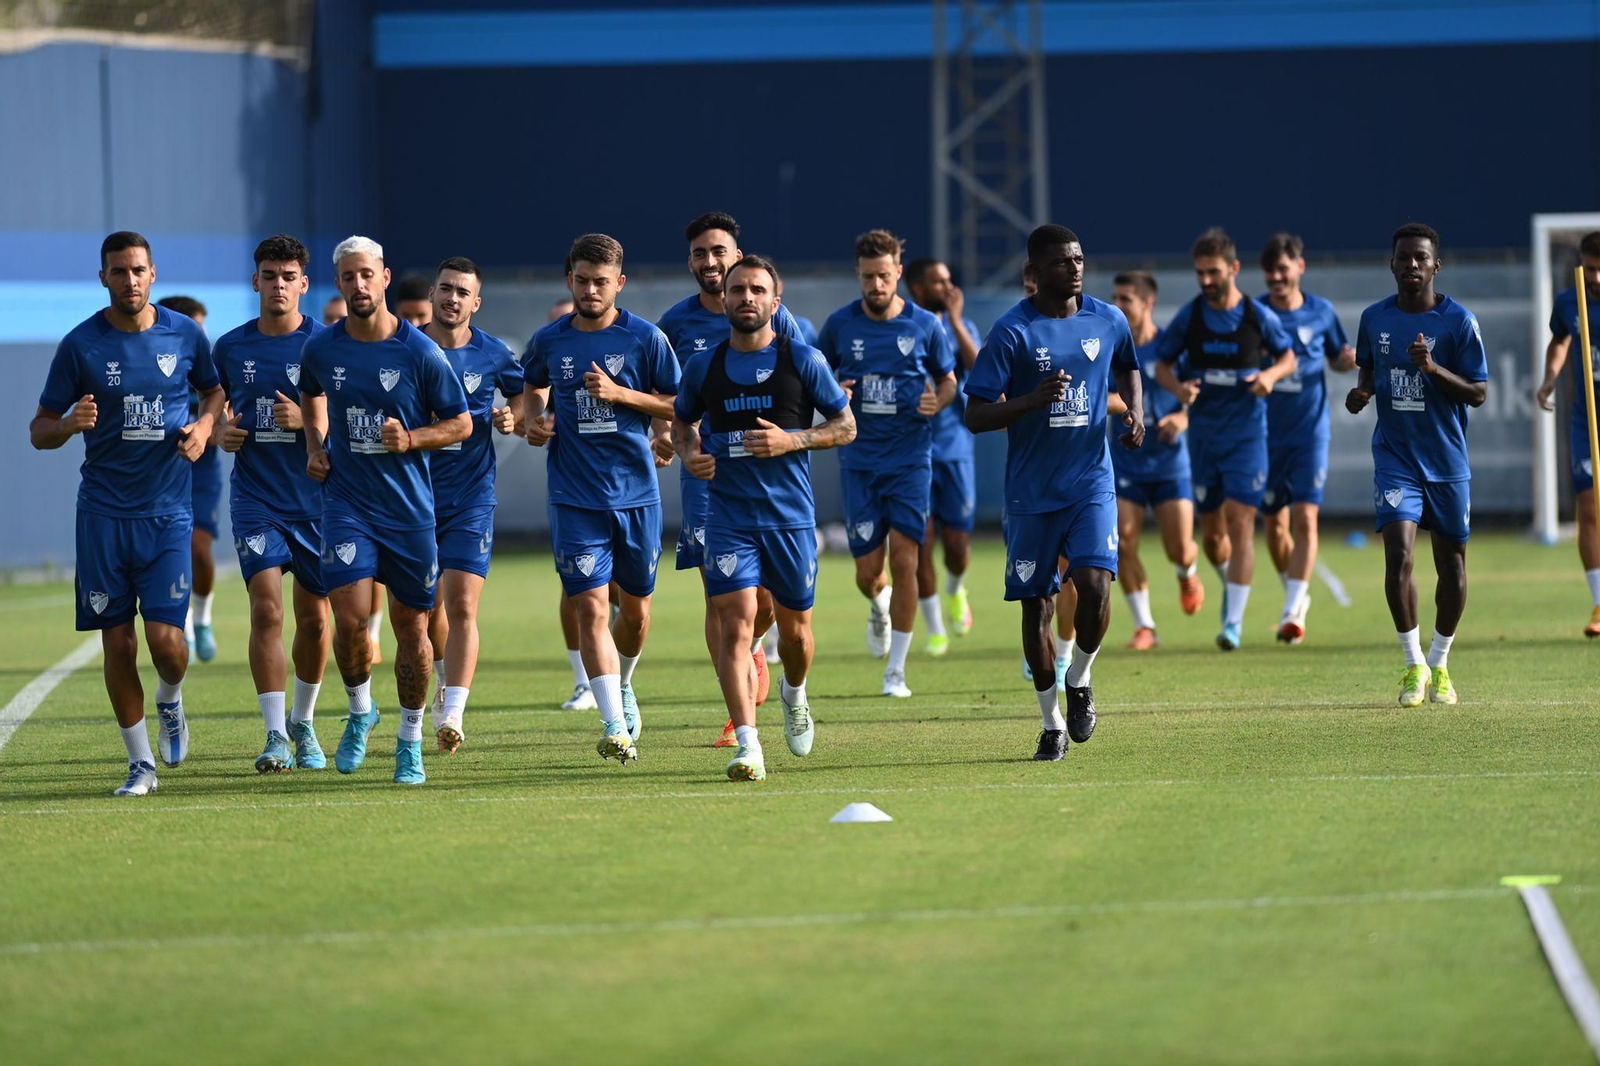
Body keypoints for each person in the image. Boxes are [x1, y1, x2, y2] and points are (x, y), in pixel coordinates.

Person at [31, 231, 222, 796]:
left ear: (153, 274)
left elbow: (214, 392)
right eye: (119, 271)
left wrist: (204, 426)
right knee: (118, 645)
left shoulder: (184, 334)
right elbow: (38, 429)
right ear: (104, 278)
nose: (130, 280)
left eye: (138, 270)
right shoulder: (81, 345)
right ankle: (141, 764)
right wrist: (68, 424)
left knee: (166, 645)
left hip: (168, 515)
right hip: (102, 518)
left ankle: (171, 699)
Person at [964, 224, 1143, 762]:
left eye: (1080, 259)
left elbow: (1128, 366)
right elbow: (975, 414)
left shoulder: (1108, 319)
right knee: (1036, 608)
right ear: (1035, 272)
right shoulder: (1012, 332)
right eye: (1064, 261)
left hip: (1091, 482)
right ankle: (1051, 724)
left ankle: (1080, 677)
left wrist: (1137, 411)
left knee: (1094, 585)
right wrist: (1029, 400)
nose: (1076, 268)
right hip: (1031, 495)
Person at [673, 254, 855, 780]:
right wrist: (689, 454)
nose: (746, 298)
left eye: (757, 290)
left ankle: (794, 693)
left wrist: (791, 440)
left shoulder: (802, 359)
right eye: (737, 290)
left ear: (776, 301)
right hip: (728, 517)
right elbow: (681, 424)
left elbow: (845, 427)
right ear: (724, 299)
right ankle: (748, 744)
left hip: (790, 520)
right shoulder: (704, 366)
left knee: (795, 635)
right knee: (736, 624)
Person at [298, 235, 471, 785]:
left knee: (412, 629)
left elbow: (461, 423)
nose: (358, 285)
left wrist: (413, 438)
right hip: (347, 504)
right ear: (339, 283)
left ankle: (409, 741)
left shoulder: (419, 351)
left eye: (366, 274)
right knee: (350, 622)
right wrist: (315, 445)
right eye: (348, 277)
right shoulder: (321, 349)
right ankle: (359, 712)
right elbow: (310, 394)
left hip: (409, 511)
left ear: (385, 277)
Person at [524, 233, 679, 763]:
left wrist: (620, 395)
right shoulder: (550, 340)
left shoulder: (646, 338)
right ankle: (614, 723)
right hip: (574, 496)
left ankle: (624, 683)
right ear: (570, 279)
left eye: (601, 282)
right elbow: (533, 385)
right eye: (583, 280)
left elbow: (677, 403)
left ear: (620, 283)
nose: (591, 290)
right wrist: (535, 419)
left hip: (636, 495)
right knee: (590, 606)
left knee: (635, 615)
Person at [656, 212, 809, 742]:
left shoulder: (774, 317)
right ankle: (739, 719)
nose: (710, 261)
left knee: (766, 603)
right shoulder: (674, 325)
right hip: (709, 478)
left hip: (772, 483)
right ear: (690, 263)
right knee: (720, 600)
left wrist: (795, 436)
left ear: (737, 256)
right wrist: (669, 437)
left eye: (718, 251)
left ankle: (758, 652)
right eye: (700, 253)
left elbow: (805, 385)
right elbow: (667, 396)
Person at [1346, 223, 1488, 706]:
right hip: (1396, 458)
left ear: (1435, 266)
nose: (1412, 265)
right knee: (1400, 556)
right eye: (1404, 257)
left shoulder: (1459, 322)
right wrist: (1362, 393)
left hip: (1446, 462)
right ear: (1391, 264)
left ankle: (1440, 662)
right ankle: (1413, 666)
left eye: (1420, 258)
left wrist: (1432, 368)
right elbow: (1370, 368)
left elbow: (1479, 393)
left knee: (1452, 567)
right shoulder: (1374, 318)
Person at [817, 230, 956, 697]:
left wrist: (939, 400)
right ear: (858, 275)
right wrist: (834, 392)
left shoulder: (925, 325)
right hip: (859, 461)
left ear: (898, 272)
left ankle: (896, 672)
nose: (876, 284)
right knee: (868, 574)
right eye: (867, 277)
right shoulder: (841, 325)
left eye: (883, 275)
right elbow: (815, 375)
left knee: (906, 560)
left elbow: (948, 381)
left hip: (910, 460)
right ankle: (879, 604)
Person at [213, 234, 332, 772]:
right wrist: (220, 432)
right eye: (269, 276)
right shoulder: (230, 348)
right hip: (256, 497)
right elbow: (211, 407)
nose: (278, 285)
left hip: (318, 500)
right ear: (255, 281)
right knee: (266, 609)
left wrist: (307, 421)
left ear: (303, 284)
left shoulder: (328, 345)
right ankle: (275, 734)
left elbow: (354, 420)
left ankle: (302, 722)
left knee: (314, 620)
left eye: (288, 277)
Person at [1154, 228, 1296, 651]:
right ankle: (1226, 585)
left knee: (1241, 521)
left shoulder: (1256, 316)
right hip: (1204, 439)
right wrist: (1179, 390)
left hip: (1247, 437)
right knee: (1214, 537)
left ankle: (1233, 623)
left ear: (1233, 268)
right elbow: (1162, 365)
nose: (1205, 280)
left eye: (1213, 272)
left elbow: (1289, 356)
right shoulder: (1191, 317)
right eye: (1200, 273)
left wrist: (1270, 376)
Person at [421, 256, 524, 752]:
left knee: (461, 604)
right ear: (433, 294)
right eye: (446, 288)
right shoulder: (406, 347)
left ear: (476, 303)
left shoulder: (493, 353)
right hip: (411, 498)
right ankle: (439, 683)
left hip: (471, 498)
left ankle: (454, 713)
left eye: (463, 292)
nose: (453, 298)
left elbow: (526, 395)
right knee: (421, 612)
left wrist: (512, 416)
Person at [1258, 233, 1357, 644]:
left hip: (1310, 433)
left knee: (1305, 519)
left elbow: (1337, 356)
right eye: (1270, 271)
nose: (1276, 277)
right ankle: (1295, 594)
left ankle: (1292, 609)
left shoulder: (1321, 311)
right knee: (1274, 528)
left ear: (1300, 267)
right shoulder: (1255, 314)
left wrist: (1349, 360)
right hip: (1265, 436)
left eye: (1283, 269)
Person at [1108, 270, 1204, 649]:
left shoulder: (1170, 348)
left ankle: (1187, 573)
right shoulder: (1109, 348)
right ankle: (1145, 625)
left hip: (1168, 462)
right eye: (1114, 298)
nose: (1117, 305)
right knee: (1123, 542)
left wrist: (1183, 417)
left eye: (1125, 299)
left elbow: (1198, 396)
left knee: (1178, 548)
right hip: (1126, 460)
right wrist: (1119, 406)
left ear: (1148, 303)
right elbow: (1101, 395)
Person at [905, 257, 980, 653]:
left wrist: (955, 321)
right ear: (918, 289)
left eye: (950, 280)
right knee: (921, 542)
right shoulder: (903, 326)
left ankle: (955, 589)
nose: (949, 288)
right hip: (912, 454)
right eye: (939, 282)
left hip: (954, 451)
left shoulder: (961, 327)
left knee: (956, 547)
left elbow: (982, 370)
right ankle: (935, 628)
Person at [1535, 230, 1600, 637]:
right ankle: (1599, 604)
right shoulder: (1569, 301)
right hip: (1588, 418)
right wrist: (1549, 379)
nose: (1597, 278)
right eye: (1591, 269)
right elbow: (1560, 341)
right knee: (1589, 507)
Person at [158, 295, 223, 663]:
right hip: (160, 471)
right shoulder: (156, 361)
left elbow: (224, 411)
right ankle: (180, 622)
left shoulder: (211, 366)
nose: (202, 336)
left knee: (198, 546)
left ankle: (202, 616)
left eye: (204, 328)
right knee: (172, 547)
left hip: (201, 470)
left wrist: (209, 429)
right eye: (196, 328)